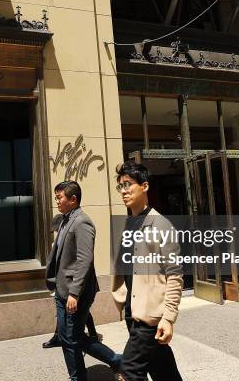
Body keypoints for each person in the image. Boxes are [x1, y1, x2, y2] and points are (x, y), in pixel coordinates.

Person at [111, 162, 184, 381]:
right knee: (164, 371)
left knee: (128, 373)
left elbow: (175, 274)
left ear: (144, 186)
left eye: (128, 184)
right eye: (120, 186)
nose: (123, 190)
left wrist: (168, 318)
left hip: (149, 317)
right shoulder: (127, 225)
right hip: (132, 312)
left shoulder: (161, 225)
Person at [45, 181, 122, 380]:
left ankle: (116, 360)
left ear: (73, 199)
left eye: (59, 197)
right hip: (62, 290)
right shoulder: (64, 220)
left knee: (74, 337)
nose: (57, 201)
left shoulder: (82, 222)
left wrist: (74, 293)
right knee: (66, 338)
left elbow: (84, 260)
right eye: (56, 197)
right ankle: (78, 376)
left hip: (75, 293)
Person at [43, 214, 101, 349]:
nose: (56, 232)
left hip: (75, 285)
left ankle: (109, 355)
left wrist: (74, 291)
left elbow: (84, 260)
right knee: (68, 320)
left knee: (79, 320)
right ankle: (60, 336)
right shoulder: (57, 242)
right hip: (62, 285)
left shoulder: (81, 225)